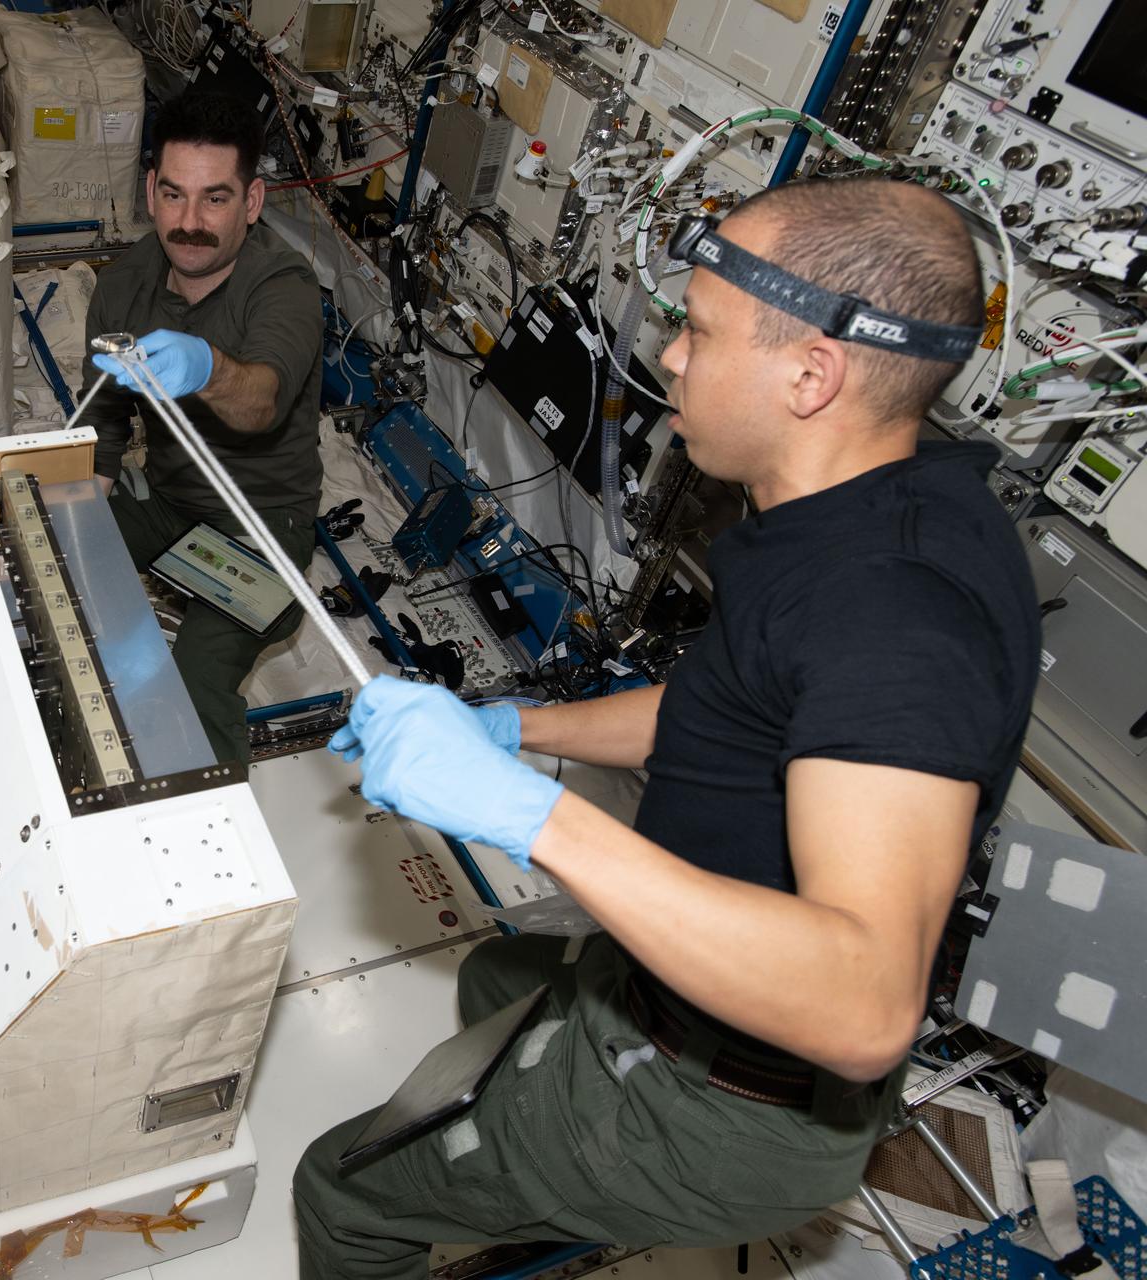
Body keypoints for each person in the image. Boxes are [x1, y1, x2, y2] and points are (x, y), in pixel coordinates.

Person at [295, 176, 1041, 1278]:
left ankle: (536, 1170)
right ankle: (528, 1176)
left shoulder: (895, 618)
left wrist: (526, 812)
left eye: (698, 328)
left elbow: (864, 1000)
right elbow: (724, 712)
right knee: (490, 982)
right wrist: (515, 726)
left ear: (811, 372)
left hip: (733, 1100)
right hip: (670, 998)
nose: (673, 358)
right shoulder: (874, 491)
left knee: (338, 1192)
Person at [78, 93, 325, 764]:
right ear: (151, 190)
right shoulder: (125, 283)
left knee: (194, 683)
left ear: (251, 202)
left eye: (215, 199)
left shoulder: (286, 288)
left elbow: (261, 400)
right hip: (166, 506)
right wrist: (90, 498)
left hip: (263, 527)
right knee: (37, 539)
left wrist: (207, 367)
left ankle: (209, 842)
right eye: (174, 195)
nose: (189, 223)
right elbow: (102, 410)